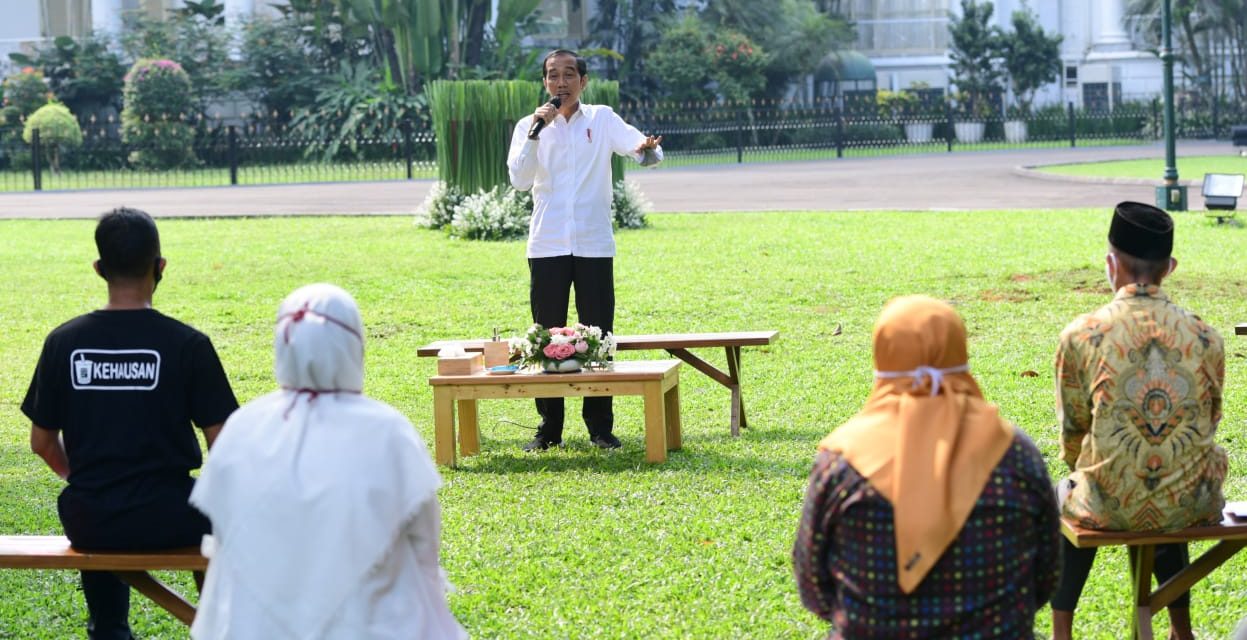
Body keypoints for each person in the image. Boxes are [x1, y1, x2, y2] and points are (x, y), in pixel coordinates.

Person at [189, 283, 466, 640]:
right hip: (370, 621)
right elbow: (424, 539)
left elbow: (223, 532)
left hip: (260, 624)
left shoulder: (244, 427)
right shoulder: (386, 430)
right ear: (353, 347)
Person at [21, 207, 239, 640]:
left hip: (90, 518)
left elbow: (42, 442)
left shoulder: (63, 342)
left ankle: (108, 626)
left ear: (100, 268)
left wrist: (80, 476)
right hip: (174, 514)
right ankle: (215, 625)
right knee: (216, 511)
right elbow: (227, 447)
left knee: (87, 501)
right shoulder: (188, 345)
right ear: (160, 267)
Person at [793, 295, 1060, 639]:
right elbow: (1045, 577)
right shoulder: (1016, 454)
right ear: (960, 352)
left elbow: (813, 588)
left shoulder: (840, 465)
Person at [1050, 201, 1227, 640]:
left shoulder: (1082, 334)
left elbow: (1074, 432)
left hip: (1106, 504)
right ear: (1170, 267)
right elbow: (1210, 419)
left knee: (1076, 489)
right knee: (1167, 478)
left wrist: (1091, 468)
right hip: (1193, 502)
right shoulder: (1207, 336)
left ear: (1111, 265)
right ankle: (1180, 630)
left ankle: (1061, 631)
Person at [507, 48, 663, 452]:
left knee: (599, 333)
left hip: (593, 244)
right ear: (545, 83)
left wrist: (648, 147)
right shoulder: (530, 124)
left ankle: (599, 426)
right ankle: (549, 427)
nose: (561, 83)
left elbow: (644, 152)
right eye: (553, 76)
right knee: (547, 334)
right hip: (547, 243)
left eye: (569, 74)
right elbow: (519, 180)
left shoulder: (602, 119)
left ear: (583, 81)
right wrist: (534, 133)